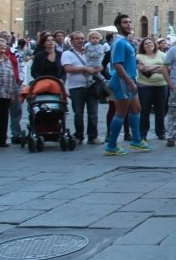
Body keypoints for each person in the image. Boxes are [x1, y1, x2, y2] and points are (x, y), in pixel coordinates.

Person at [103, 14, 152, 156]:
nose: (129, 24)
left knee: (136, 108)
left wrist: (138, 66)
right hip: (122, 80)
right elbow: (117, 64)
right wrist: (129, 82)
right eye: (125, 22)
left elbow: (128, 60)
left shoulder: (125, 41)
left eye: (130, 22)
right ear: (118, 25)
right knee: (121, 112)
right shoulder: (119, 42)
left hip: (129, 78)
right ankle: (111, 146)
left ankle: (136, 140)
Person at [61, 31, 102, 145]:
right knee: (78, 113)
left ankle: (93, 136)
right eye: (77, 38)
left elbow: (100, 65)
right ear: (72, 41)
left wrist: (95, 70)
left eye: (82, 38)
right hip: (76, 87)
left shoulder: (89, 52)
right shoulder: (67, 54)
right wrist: (84, 69)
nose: (80, 40)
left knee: (93, 113)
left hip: (92, 86)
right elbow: (68, 69)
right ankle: (79, 135)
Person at [135, 38, 168, 142]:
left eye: (150, 42)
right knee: (145, 110)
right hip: (145, 86)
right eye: (146, 44)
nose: (149, 44)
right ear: (142, 46)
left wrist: (150, 67)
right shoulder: (139, 56)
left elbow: (167, 68)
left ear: (154, 43)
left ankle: (160, 132)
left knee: (161, 109)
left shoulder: (162, 54)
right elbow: (142, 69)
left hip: (161, 85)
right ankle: (143, 133)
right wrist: (159, 67)